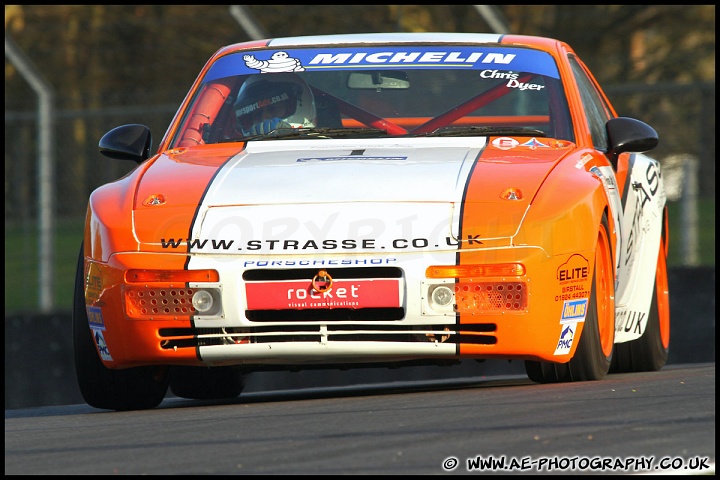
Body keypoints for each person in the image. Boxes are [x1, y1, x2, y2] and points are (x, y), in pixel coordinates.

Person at [234, 73, 317, 136]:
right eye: (257, 115)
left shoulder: (326, 143)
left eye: (273, 109)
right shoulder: (239, 151)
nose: (264, 118)